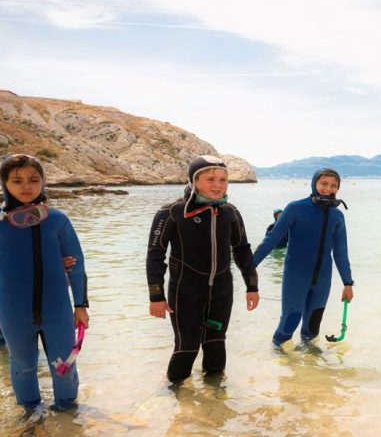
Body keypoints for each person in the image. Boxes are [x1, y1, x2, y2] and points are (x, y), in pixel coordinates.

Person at [146, 155, 259, 384]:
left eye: (223, 179)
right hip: (185, 291)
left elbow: (242, 250)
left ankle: (215, 403)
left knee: (216, 343)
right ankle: (175, 399)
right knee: (187, 346)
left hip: (221, 291)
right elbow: (155, 255)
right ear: (194, 180)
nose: (217, 185)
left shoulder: (230, 212)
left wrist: (252, 286)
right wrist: (156, 295)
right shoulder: (172, 212)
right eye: (210, 179)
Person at [0, 154, 89, 411]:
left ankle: (69, 417)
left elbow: (77, 265)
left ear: (43, 182)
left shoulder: (58, 220)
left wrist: (81, 305)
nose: (26, 186)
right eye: (17, 180)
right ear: (5, 184)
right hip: (13, 312)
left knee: (64, 366)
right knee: (23, 366)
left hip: (57, 309)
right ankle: (29, 419)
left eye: (33, 179)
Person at [253, 168, 354, 347]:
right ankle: (277, 358)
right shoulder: (295, 208)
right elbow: (271, 240)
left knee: (313, 326)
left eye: (333, 185)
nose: (328, 189)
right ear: (314, 183)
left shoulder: (337, 216)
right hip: (296, 277)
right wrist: (250, 267)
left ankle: (307, 365)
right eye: (323, 184)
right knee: (289, 322)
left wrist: (347, 283)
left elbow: (341, 252)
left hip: (323, 279)